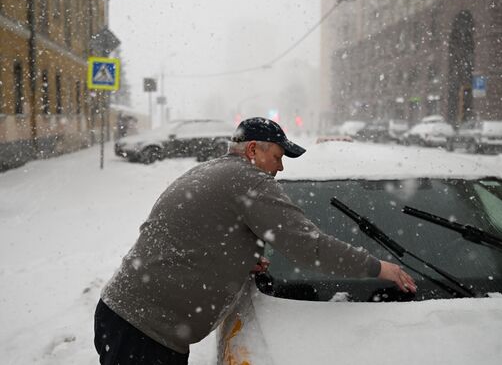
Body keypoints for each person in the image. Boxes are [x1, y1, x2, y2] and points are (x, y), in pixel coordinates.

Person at [94, 117, 417, 364]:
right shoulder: (248, 180)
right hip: (144, 334)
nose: (279, 167)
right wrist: (378, 267)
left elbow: (188, 233)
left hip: (126, 318)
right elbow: (309, 247)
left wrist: (236, 259)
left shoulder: (212, 172)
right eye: (277, 156)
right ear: (253, 150)